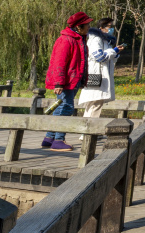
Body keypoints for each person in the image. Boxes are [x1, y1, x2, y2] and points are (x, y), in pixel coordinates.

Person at [42, 12, 91, 151]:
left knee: (60, 107)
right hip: (66, 81)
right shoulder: (66, 40)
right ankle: (58, 140)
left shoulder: (78, 39)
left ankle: (49, 138)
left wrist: (82, 79)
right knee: (66, 107)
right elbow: (59, 62)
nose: (89, 26)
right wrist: (59, 83)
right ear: (78, 27)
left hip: (72, 80)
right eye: (87, 24)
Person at [77, 18, 122, 129]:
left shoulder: (105, 41)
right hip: (96, 77)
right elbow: (99, 57)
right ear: (101, 27)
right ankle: (89, 131)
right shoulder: (95, 39)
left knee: (93, 105)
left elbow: (109, 58)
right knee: (94, 105)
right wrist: (113, 51)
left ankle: (85, 131)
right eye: (109, 26)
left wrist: (116, 52)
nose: (111, 29)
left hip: (102, 77)